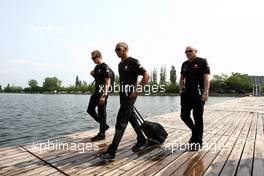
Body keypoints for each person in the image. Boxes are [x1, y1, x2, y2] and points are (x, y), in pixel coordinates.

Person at [99, 42, 150, 161]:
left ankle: (112, 152)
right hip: (123, 95)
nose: (116, 51)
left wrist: (137, 90)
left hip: (130, 95)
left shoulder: (133, 61)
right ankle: (141, 139)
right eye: (115, 50)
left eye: (118, 49)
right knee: (131, 116)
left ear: (126, 49)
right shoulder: (120, 64)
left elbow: (146, 75)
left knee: (121, 122)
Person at [179, 46, 210, 150]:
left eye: (190, 51)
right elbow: (182, 78)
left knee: (197, 118)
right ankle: (195, 132)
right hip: (186, 93)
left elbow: (207, 78)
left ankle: (198, 142)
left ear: (196, 51)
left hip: (198, 93)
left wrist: (205, 92)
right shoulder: (185, 64)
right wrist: (180, 90)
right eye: (186, 52)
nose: (187, 53)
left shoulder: (202, 62)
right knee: (184, 115)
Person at [87, 50, 112, 141]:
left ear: (99, 57)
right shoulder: (97, 67)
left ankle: (102, 134)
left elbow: (107, 81)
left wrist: (104, 96)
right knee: (90, 110)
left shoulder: (105, 67)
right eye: (92, 58)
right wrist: (93, 73)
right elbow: (97, 76)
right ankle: (104, 125)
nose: (93, 60)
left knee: (102, 113)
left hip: (102, 93)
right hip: (96, 92)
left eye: (94, 58)